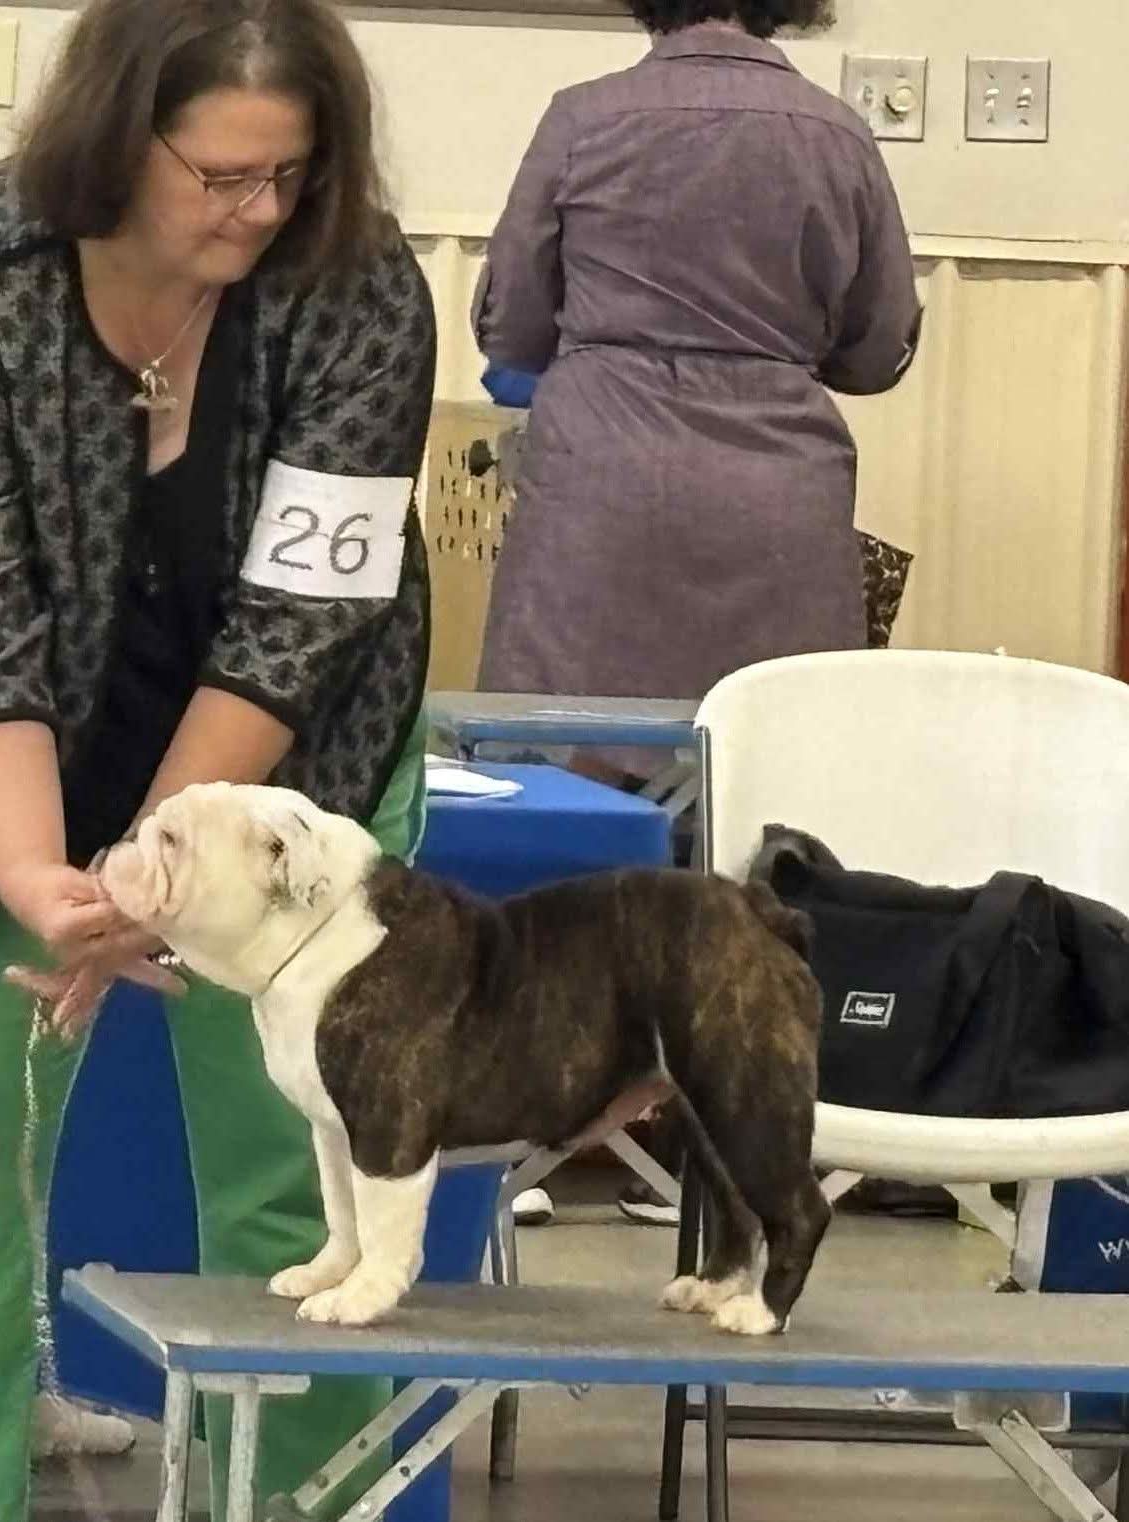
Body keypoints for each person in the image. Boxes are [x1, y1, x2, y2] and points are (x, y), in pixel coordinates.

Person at [0, 2, 438, 1518]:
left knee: (309, 1163)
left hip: (289, 778)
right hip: (5, 765)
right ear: (114, 139)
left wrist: (156, 872)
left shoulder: (358, 281)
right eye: (220, 174)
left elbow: (301, 620)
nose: (259, 210)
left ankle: (299, 1501)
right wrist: (50, 879)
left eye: (289, 172)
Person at [472, 0, 922, 1222]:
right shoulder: (835, 133)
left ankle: (512, 1142)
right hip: (778, 494)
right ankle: (725, 1154)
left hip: (601, 489)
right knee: (763, 812)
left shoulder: (582, 119)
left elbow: (512, 323)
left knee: (556, 784)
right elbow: (877, 348)